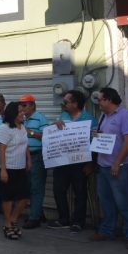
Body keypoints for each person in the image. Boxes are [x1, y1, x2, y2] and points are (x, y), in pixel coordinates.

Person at [91, 87, 128, 250]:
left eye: (100, 99)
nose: (98, 102)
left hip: (119, 166)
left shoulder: (125, 116)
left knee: (123, 201)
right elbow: (105, 138)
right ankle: (107, 230)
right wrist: (96, 135)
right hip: (103, 164)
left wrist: (117, 162)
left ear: (109, 100)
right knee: (106, 200)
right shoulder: (103, 116)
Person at [50, 90, 98, 233]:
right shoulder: (63, 116)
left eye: (66, 102)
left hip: (80, 163)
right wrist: (55, 126)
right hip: (62, 162)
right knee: (58, 190)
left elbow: (95, 142)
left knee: (80, 192)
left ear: (75, 104)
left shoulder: (89, 119)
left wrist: (91, 163)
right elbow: (56, 136)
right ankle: (63, 219)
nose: (63, 104)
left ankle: (78, 222)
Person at [0, 102, 31, 240]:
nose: (23, 113)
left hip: (21, 167)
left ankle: (12, 220)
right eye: (20, 112)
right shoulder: (4, 128)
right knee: (8, 198)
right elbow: (1, 149)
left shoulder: (22, 127)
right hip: (8, 167)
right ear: (13, 114)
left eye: (24, 111)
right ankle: (8, 224)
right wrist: (3, 170)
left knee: (23, 198)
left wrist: (29, 159)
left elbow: (26, 144)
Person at [20, 94, 49, 229]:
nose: (22, 107)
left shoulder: (40, 118)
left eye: (24, 105)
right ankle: (38, 213)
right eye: (21, 105)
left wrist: (30, 133)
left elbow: (47, 137)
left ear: (32, 105)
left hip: (37, 156)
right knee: (30, 187)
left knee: (36, 188)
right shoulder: (23, 119)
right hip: (25, 157)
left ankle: (34, 218)